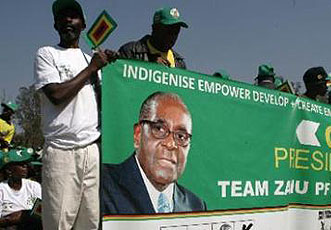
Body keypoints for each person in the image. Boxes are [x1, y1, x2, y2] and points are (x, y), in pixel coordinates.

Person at [33, 0, 117, 229]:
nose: (68, 20)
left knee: (89, 222)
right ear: (55, 24)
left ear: (83, 24)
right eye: (62, 17)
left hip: (91, 150)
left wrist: (114, 69)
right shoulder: (47, 54)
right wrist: (92, 69)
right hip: (62, 150)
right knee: (59, 222)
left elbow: (108, 104)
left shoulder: (90, 58)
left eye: (73, 16)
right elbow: (56, 95)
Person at [102, 92, 206, 214]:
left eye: (181, 136)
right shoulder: (101, 184)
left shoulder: (196, 205)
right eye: (159, 129)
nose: (171, 144)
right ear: (138, 135)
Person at [118, 7, 188, 69]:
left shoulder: (180, 64)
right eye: (168, 30)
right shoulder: (131, 51)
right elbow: (118, 80)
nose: (172, 36)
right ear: (155, 28)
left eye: (176, 32)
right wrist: (150, 67)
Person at [0, 149, 42, 230]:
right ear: (9, 170)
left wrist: (23, 215)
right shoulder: (1, 189)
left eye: (26, 164)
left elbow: (40, 210)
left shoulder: (33, 186)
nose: (25, 167)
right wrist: (10, 220)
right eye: (21, 164)